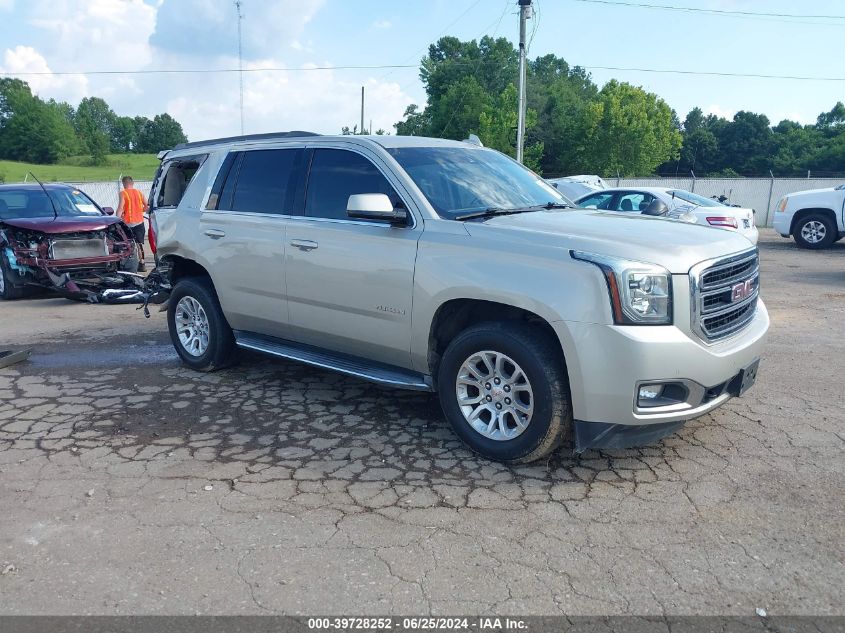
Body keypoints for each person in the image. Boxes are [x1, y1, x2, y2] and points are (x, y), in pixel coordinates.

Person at [116, 176, 149, 272]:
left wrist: (116, 219)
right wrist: (139, 210)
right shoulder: (139, 193)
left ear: (123, 184)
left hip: (128, 223)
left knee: (127, 243)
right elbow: (147, 206)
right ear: (132, 183)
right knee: (140, 244)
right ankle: (142, 264)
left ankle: (128, 263)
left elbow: (121, 208)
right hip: (139, 222)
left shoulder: (123, 193)